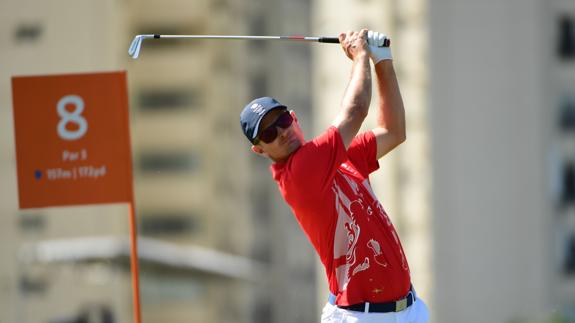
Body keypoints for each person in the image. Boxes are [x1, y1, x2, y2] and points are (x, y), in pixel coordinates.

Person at [240, 29, 429, 323]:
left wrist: (383, 61)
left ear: (294, 116)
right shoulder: (300, 171)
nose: (281, 131)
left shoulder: (336, 158)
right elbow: (355, 111)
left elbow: (394, 132)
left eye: (282, 120)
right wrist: (361, 56)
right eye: (268, 133)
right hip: (361, 317)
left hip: (408, 309)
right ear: (260, 150)